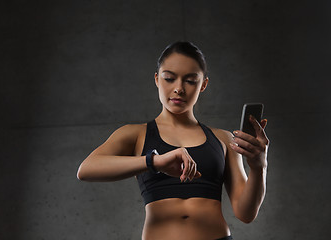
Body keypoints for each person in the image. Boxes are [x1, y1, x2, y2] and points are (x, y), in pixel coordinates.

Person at [77, 41, 270, 240]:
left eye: (190, 80)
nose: (178, 88)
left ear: (203, 84)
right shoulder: (135, 134)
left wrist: (258, 167)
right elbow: (86, 169)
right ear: (157, 80)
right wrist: (154, 161)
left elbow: (245, 214)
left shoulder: (222, 138)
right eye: (169, 78)